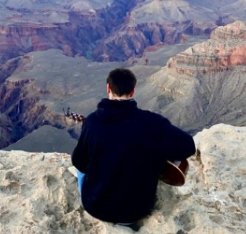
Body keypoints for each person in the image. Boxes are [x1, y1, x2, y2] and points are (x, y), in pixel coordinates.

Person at [71, 68, 196, 224]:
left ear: (108, 88)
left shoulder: (91, 122)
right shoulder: (153, 123)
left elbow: (80, 163)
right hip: (135, 212)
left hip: (96, 207)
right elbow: (188, 146)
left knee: (80, 160)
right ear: (132, 92)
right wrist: (158, 154)